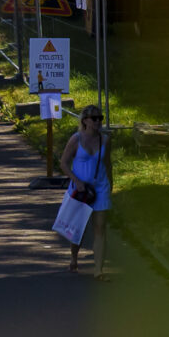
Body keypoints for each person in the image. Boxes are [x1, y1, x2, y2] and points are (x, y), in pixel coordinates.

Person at [57, 104, 115, 275]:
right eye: (94, 118)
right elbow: (64, 163)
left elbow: (108, 164)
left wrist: (111, 184)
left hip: (100, 188)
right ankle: (74, 258)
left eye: (100, 118)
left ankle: (98, 270)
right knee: (77, 228)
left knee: (100, 227)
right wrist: (76, 180)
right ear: (85, 120)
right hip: (80, 189)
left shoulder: (105, 140)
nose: (98, 122)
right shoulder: (76, 139)